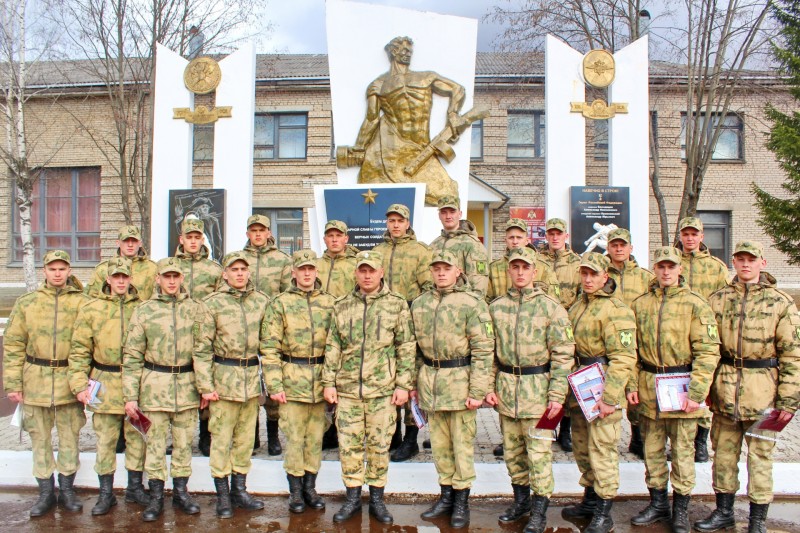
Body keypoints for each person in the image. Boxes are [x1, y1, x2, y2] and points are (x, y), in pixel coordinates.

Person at [696, 241, 800, 533]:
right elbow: (706, 348)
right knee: (724, 456)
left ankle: (757, 520)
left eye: (751, 259)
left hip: (764, 393)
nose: (745, 264)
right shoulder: (718, 300)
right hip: (725, 390)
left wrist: (788, 402)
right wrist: (705, 388)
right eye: (740, 259)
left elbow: (792, 355)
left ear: (762, 263)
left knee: (761, 458)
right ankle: (724, 511)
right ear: (733, 262)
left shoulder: (780, 303)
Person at [627, 246, 721, 533]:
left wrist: (697, 392)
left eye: (671, 266)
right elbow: (630, 349)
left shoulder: (695, 304)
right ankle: (657, 503)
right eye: (661, 266)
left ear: (680, 269)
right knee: (652, 451)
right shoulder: (641, 304)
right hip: (649, 387)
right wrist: (631, 384)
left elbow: (707, 350)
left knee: (682, 451)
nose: (666, 271)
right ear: (654, 269)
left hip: (681, 386)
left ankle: (681, 509)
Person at [322, 251, 415, 525]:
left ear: (381, 272)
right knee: (348, 447)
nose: (366, 275)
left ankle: (377, 499)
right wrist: (329, 381)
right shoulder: (341, 305)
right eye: (362, 271)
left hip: (383, 391)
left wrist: (403, 385)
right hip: (348, 390)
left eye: (371, 271)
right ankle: (352, 498)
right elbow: (333, 345)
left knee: (379, 446)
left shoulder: (396, 305)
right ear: (356, 274)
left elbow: (406, 347)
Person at [486, 247, 575, 533]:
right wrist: (489, 385)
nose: (521, 272)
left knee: (538, 455)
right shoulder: (496, 307)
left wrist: (557, 397)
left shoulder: (551, 308)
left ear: (535, 272)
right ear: (509, 271)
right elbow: (489, 353)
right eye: (516, 267)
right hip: (507, 391)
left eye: (526, 267)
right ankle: (521, 501)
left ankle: (539, 511)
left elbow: (563, 355)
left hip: (540, 392)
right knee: (513, 454)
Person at [412, 250, 494, 529]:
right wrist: (414, 383)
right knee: (440, 446)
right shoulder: (420, 304)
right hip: (431, 383)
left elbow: (483, 350)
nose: (441, 272)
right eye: (436, 268)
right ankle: (446, 495)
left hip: (460, 382)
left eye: (446, 267)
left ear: (458, 270)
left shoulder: (472, 303)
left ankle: (461, 501)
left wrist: (478, 390)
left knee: (461, 447)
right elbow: (413, 351)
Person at [3, 250, 89, 518]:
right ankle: (45, 493)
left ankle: (66, 490)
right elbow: (14, 344)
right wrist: (13, 384)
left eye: (62, 269)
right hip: (36, 380)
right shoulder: (27, 303)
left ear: (69, 271)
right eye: (52, 269)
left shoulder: (82, 303)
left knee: (69, 438)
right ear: (44, 271)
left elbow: (89, 343)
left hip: (68, 380)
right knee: (39, 438)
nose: (57, 273)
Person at [122, 257, 206, 522]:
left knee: (183, 445)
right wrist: (130, 396)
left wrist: (204, 388)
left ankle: (181, 493)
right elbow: (132, 356)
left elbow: (203, 352)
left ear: (182, 279)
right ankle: (156, 495)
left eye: (175, 277)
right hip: (154, 387)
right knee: (155, 445)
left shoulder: (196, 309)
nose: (171, 281)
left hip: (186, 387)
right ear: (157, 279)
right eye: (166, 277)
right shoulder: (144, 310)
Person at [341, 36, 465, 205]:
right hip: (391, 150)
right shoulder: (378, 85)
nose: (408, 54)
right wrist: (359, 148)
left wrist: (453, 114)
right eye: (405, 51)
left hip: (422, 149)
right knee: (373, 200)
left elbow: (457, 89)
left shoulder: (426, 77)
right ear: (393, 51)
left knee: (448, 197)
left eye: (410, 52)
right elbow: (371, 119)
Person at [562, 252, 637, 533]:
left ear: (606, 276)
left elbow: (624, 358)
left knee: (602, 449)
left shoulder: (616, 310)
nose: (588, 279)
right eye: (584, 274)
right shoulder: (577, 306)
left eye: (594, 274)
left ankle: (604, 512)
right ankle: (590, 500)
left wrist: (610, 398)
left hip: (602, 385)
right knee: (582, 447)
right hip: (580, 388)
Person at [69, 257, 148, 516]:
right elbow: (80, 349)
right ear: (108, 280)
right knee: (105, 440)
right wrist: (80, 384)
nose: (121, 281)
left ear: (130, 279)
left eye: (125, 277)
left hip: (136, 382)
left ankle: (136, 488)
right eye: (116, 277)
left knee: (137, 437)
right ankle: (106, 493)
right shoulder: (92, 309)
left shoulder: (143, 308)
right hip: (104, 381)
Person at [262, 249, 336, 514]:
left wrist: (333, 381)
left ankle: (310, 487)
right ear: (293, 273)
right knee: (294, 438)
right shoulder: (280, 303)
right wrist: (274, 384)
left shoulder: (330, 303)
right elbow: (269, 346)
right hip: (291, 379)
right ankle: (295, 491)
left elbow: (337, 344)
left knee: (315, 438)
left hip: (319, 380)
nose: (306, 273)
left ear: (316, 272)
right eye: (301, 269)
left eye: (310, 269)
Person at [194, 252, 268, 518]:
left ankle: (240, 490)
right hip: (223, 381)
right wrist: (205, 385)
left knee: (245, 440)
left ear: (249, 273)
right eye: (233, 269)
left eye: (243, 269)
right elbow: (201, 349)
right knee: (221, 440)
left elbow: (269, 344)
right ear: (224, 273)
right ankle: (222, 495)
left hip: (250, 382)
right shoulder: (211, 304)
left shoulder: (260, 302)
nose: (239, 273)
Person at [372, 203, 432, 462]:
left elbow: (429, 287)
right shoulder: (377, 252)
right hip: (382, 325)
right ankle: (393, 434)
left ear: (408, 223)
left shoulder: (420, 252)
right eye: (391, 220)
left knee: (410, 379)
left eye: (400, 220)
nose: (395, 225)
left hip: (410, 323)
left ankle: (410, 438)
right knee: (388, 376)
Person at [675, 216, 729, 462]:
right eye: (686, 234)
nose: (689, 238)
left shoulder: (716, 267)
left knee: (703, 387)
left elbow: (724, 300)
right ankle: (679, 440)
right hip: (677, 333)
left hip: (706, 334)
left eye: (694, 234)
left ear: (701, 236)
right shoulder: (672, 262)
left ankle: (701, 442)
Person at [238, 213, 292, 456]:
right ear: (248, 233)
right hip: (244, 327)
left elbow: (286, 295)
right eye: (253, 230)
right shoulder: (239, 260)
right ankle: (251, 435)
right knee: (248, 380)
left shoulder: (281, 260)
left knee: (271, 378)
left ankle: (272, 436)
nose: (258, 234)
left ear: (269, 233)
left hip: (271, 327)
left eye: (262, 230)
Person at [174, 217, 222, 457]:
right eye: (188, 238)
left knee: (205, 383)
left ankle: (206, 435)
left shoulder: (214, 270)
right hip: (178, 335)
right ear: (181, 240)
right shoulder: (170, 268)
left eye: (197, 238)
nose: (193, 242)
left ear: (202, 240)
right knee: (179, 385)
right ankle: (179, 438)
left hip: (205, 336)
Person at [605, 227, 654, 460]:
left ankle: (637, 437)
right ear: (608, 248)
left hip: (638, 339)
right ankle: (607, 440)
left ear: (630, 248)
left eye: (622, 245)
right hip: (609, 340)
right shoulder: (601, 274)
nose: (618, 249)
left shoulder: (644, 277)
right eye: (614, 245)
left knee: (637, 391)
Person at [538, 217, 582, 453]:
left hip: (567, 328)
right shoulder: (537, 261)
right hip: (541, 328)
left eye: (559, 233)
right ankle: (547, 428)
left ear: (566, 236)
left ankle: (565, 430)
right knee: (545, 379)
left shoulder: (577, 264)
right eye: (550, 233)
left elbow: (581, 296)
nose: (554, 237)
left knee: (564, 380)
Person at [316, 219, 359, 450]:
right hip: (319, 333)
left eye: (338, 235)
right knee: (324, 382)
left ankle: (343, 428)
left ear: (346, 239)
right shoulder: (315, 265)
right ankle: (327, 430)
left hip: (345, 334)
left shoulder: (355, 264)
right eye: (330, 235)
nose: (334, 239)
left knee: (342, 382)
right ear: (324, 239)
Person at [487, 218, 560, 302]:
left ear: (527, 241)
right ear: (505, 241)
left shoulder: (543, 267)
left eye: (519, 237)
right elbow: (486, 301)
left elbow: (554, 301)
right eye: (511, 237)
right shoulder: (493, 268)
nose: (515, 241)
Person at [429, 195, 489, 297]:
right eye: (444, 212)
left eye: (452, 212)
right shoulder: (434, 245)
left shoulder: (472, 244)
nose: (448, 216)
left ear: (460, 214)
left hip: (461, 305)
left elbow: (479, 283)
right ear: (439, 216)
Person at [85, 225, 158, 301]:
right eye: (126, 241)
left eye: (134, 241)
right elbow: (91, 299)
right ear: (118, 243)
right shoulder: (103, 269)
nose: (130, 245)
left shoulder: (152, 268)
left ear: (140, 243)